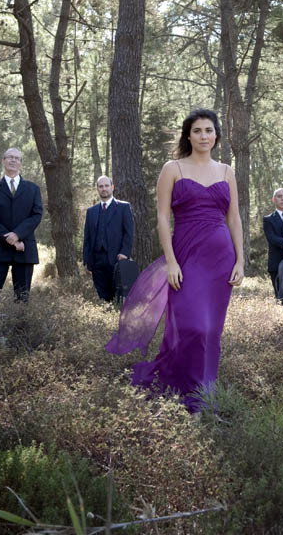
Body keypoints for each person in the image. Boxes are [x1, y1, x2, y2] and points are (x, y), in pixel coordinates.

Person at [106, 108, 244, 413]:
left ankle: (204, 393)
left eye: (209, 130)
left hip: (221, 260)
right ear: (188, 136)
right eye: (197, 131)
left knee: (211, 331)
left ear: (216, 135)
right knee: (192, 326)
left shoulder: (226, 171)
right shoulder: (172, 169)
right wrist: (170, 262)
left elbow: (234, 218)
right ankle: (178, 386)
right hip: (185, 256)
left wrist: (240, 261)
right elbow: (162, 218)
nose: (204, 136)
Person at [0, 148, 43, 302]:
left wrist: (17, 235)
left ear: (21, 163)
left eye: (17, 158)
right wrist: (11, 240)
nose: (13, 160)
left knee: (22, 299)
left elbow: (36, 215)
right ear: (3, 161)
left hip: (24, 249)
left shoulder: (33, 189)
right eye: (10, 157)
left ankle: (20, 319)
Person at [82, 176, 135, 301]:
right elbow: (87, 237)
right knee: (103, 296)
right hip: (96, 261)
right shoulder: (91, 211)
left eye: (106, 186)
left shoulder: (123, 207)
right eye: (101, 186)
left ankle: (116, 312)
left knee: (118, 295)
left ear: (112, 187)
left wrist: (124, 252)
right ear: (97, 189)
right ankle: (106, 311)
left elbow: (129, 232)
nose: (104, 189)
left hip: (116, 258)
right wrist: (87, 260)